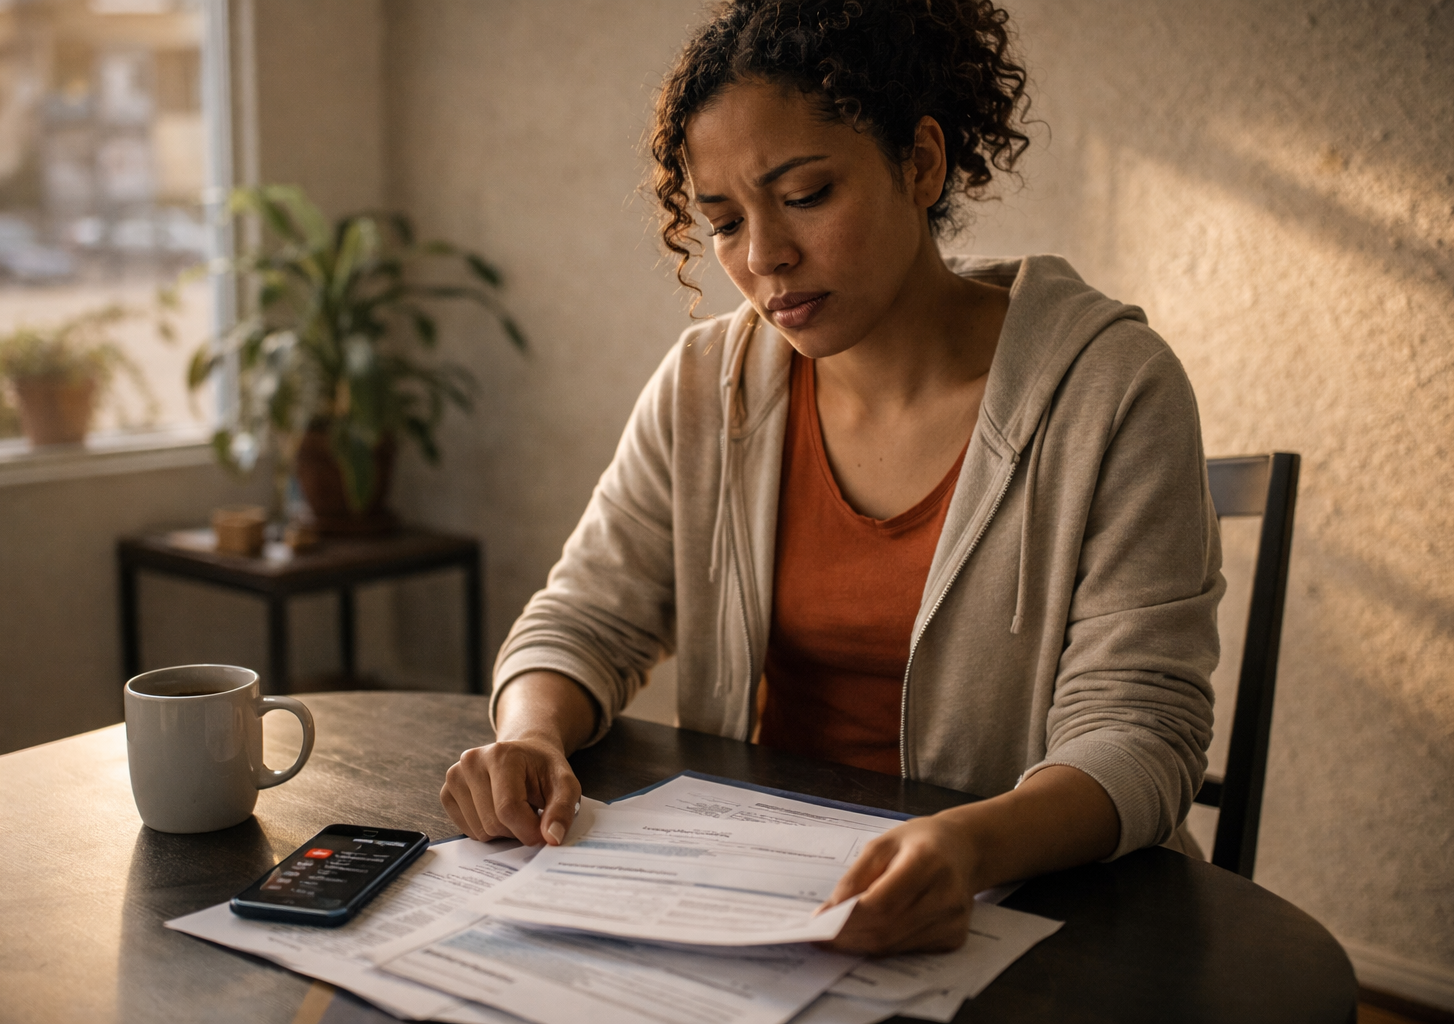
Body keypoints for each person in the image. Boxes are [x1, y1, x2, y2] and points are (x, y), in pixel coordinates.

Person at [441, 0, 1221, 956]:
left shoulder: (1110, 390)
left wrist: (967, 844)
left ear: (922, 162)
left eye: (805, 195)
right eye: (723, 221)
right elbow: (586, 618)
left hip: (1034, 915)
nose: (764, 255)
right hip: (761, 901)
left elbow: (1141, 731)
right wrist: (532, 734)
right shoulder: (704, 387)